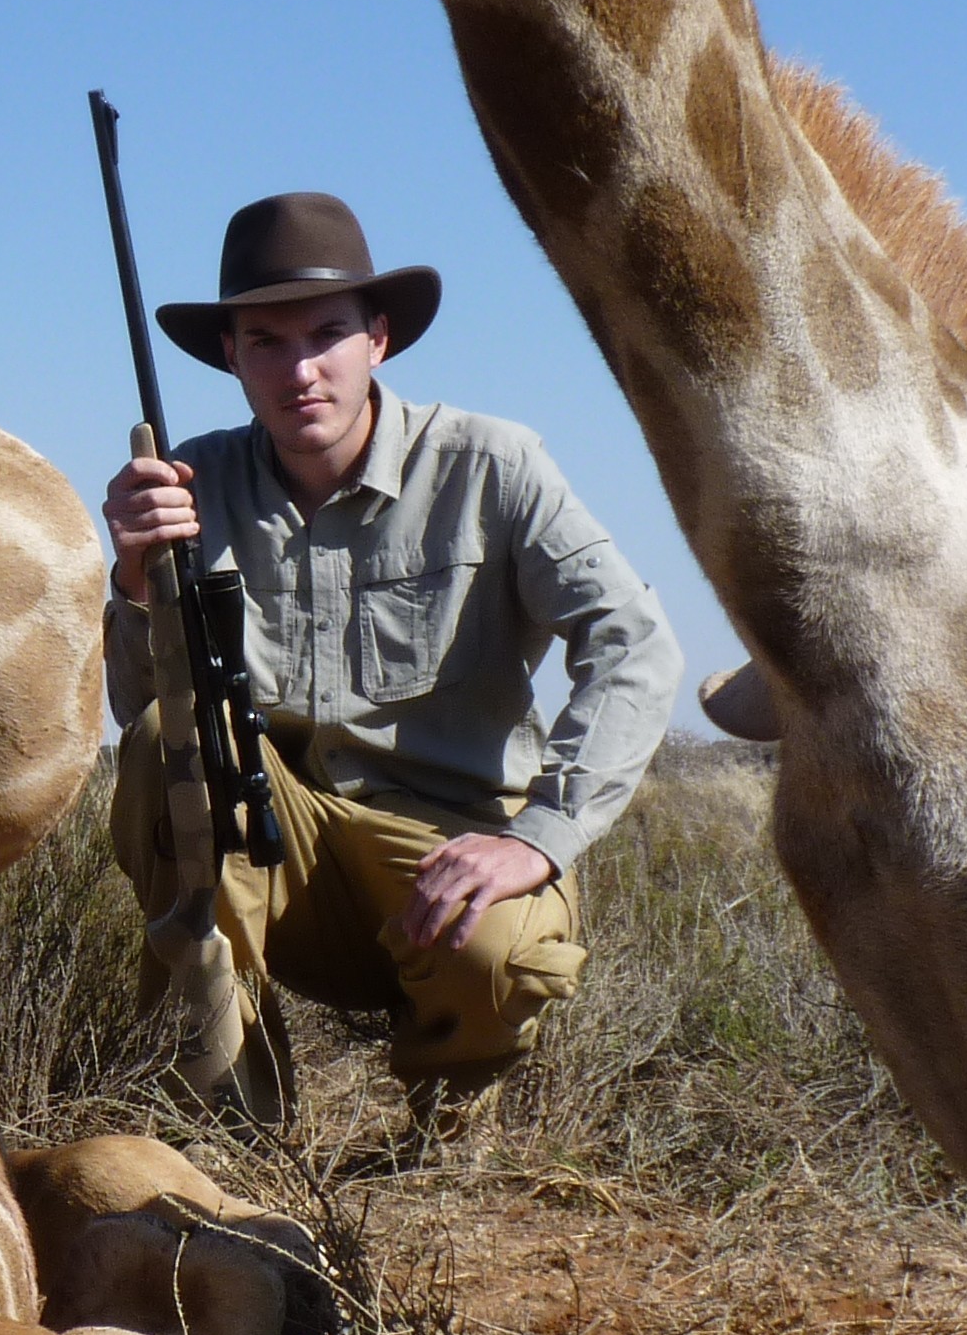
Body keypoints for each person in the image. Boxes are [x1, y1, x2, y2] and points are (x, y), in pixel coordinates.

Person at [104, 190, 683, 1126]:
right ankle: (227, 1121)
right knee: (172, 737)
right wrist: (136, 584)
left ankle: (447, 1120)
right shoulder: (191, 484)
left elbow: (635, 646)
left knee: (506, 955)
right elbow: (146, 725)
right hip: (278, 853)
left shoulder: (494, 464)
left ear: (378, 338)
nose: (301, 370)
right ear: (230, 358)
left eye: (326, 333)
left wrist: (535, 838)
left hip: (445, 849)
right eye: (266, 343)